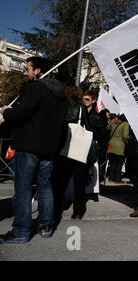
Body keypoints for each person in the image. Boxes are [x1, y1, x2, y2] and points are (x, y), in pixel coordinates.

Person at [0, 56, 67, 243]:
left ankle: (21, 230)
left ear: (38, 71)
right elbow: (62, 124)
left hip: (29, 145)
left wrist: (6, 112)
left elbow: (22, 113)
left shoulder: (36, 88)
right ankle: (46, 225)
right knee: (44, 186)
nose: (25, 72)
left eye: (27, 69)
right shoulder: (61, 94)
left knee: (23, 188)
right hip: (49, 148)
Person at [52, 85, 91, 221]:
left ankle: (56, 209)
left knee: (60, 182)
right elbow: (88, 125)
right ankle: (78, 211)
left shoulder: (62, 105)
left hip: (64, 149)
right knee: (79, 184)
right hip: (79, 150)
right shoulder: (81, 108)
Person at [106, 114, 129, 184]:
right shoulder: (125, 124)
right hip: (120, 146)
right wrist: (127, 142)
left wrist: (113, 119)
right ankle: (117, 179)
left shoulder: (114, 121)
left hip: (111, 144)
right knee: (119, 163)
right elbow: (125, 136)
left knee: (112, 162)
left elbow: (107, 127)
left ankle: (111, 178)